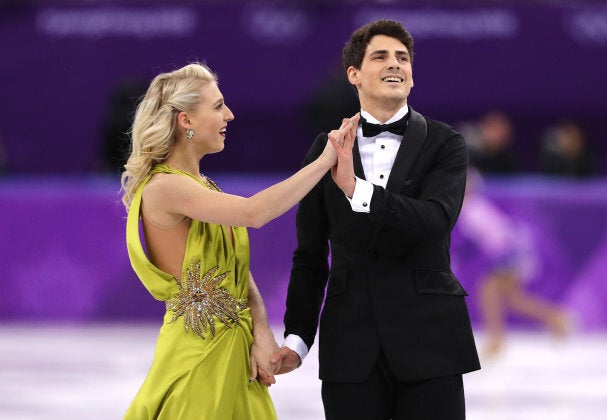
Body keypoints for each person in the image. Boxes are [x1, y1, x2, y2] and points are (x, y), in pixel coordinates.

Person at [120, 62, 359, 419]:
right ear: (186, 120)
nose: (229, 115)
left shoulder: (203, 185)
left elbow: (236, 273)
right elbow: (254, 213)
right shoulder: (165, 187)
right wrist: (325, 161)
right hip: (198, 359)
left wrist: (260, 330)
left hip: (236, 353)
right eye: (217, 107)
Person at [271, 20, 480, 420]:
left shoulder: (445, 142)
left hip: (431, 342)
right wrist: (297, 340)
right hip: (351, 346)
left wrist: (357, 190)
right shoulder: (326, 147)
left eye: (403, 58)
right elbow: (310, 254)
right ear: (354, 74)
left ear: (412, 75)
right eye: (381, 56)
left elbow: (436, 220)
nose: (395, 64)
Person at [456, 168, 570, 356]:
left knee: (489, 294)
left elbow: (496, 235)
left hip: (507, 252)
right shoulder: (471, 205)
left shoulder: (471, 206)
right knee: (512, 299)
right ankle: (555, 317)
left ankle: (496, 341)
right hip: (509, 250)